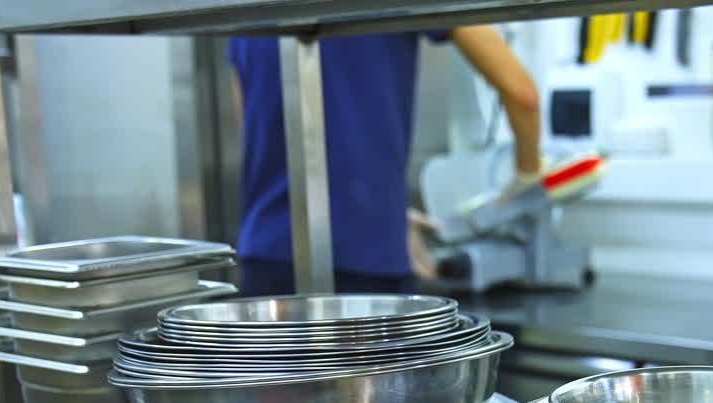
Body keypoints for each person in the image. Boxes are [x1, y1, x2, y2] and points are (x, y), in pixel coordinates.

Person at [228, 27, 541, 296]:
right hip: (366, 261)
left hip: (265, 255)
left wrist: (389, 212)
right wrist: (527, 181)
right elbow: (522, 93)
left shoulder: (239, 7)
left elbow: (255, 127)